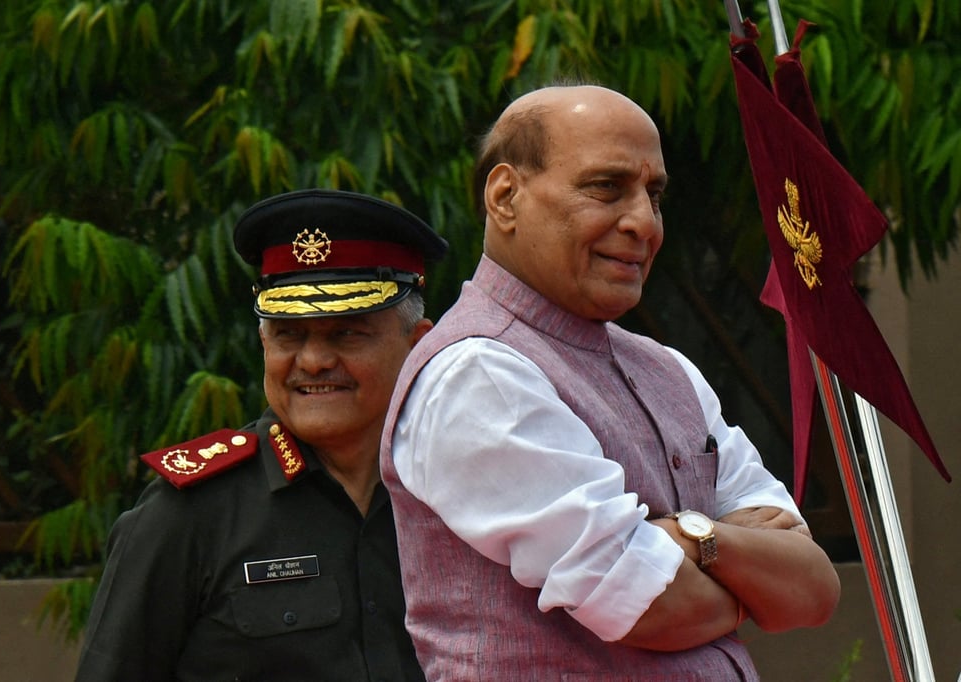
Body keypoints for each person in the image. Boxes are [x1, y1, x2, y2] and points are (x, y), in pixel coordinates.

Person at [379, 85, 841, 680]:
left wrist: (692, 538)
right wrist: (749, 583)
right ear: (505, 197)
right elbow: (652, 606)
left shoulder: (668, 369)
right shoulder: (476, 372)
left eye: (655, 195)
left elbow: (813, 590)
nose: (644, 223)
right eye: (606, 187)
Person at [75, 188, 446, 681]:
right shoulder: (189, 515)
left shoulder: (456, 496)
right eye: (289, 334)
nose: (313, 360)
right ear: (263, 342)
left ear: (418, 345)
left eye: (347, 333)